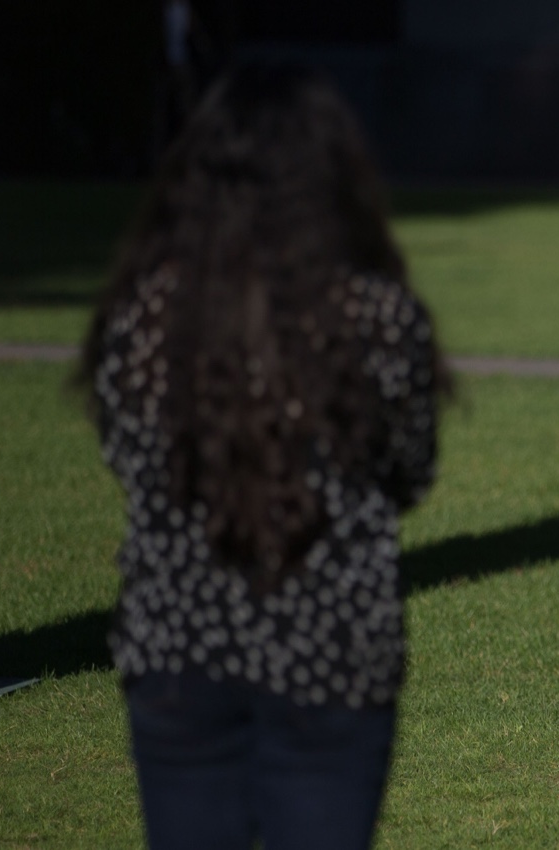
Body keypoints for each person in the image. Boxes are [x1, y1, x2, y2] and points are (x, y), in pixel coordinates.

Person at [77, 64, 446, 849]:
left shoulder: (145, 317)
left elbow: (125, 451)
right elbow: (411, 469)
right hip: (332, 657)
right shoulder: (377, 318)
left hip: (179, 651)